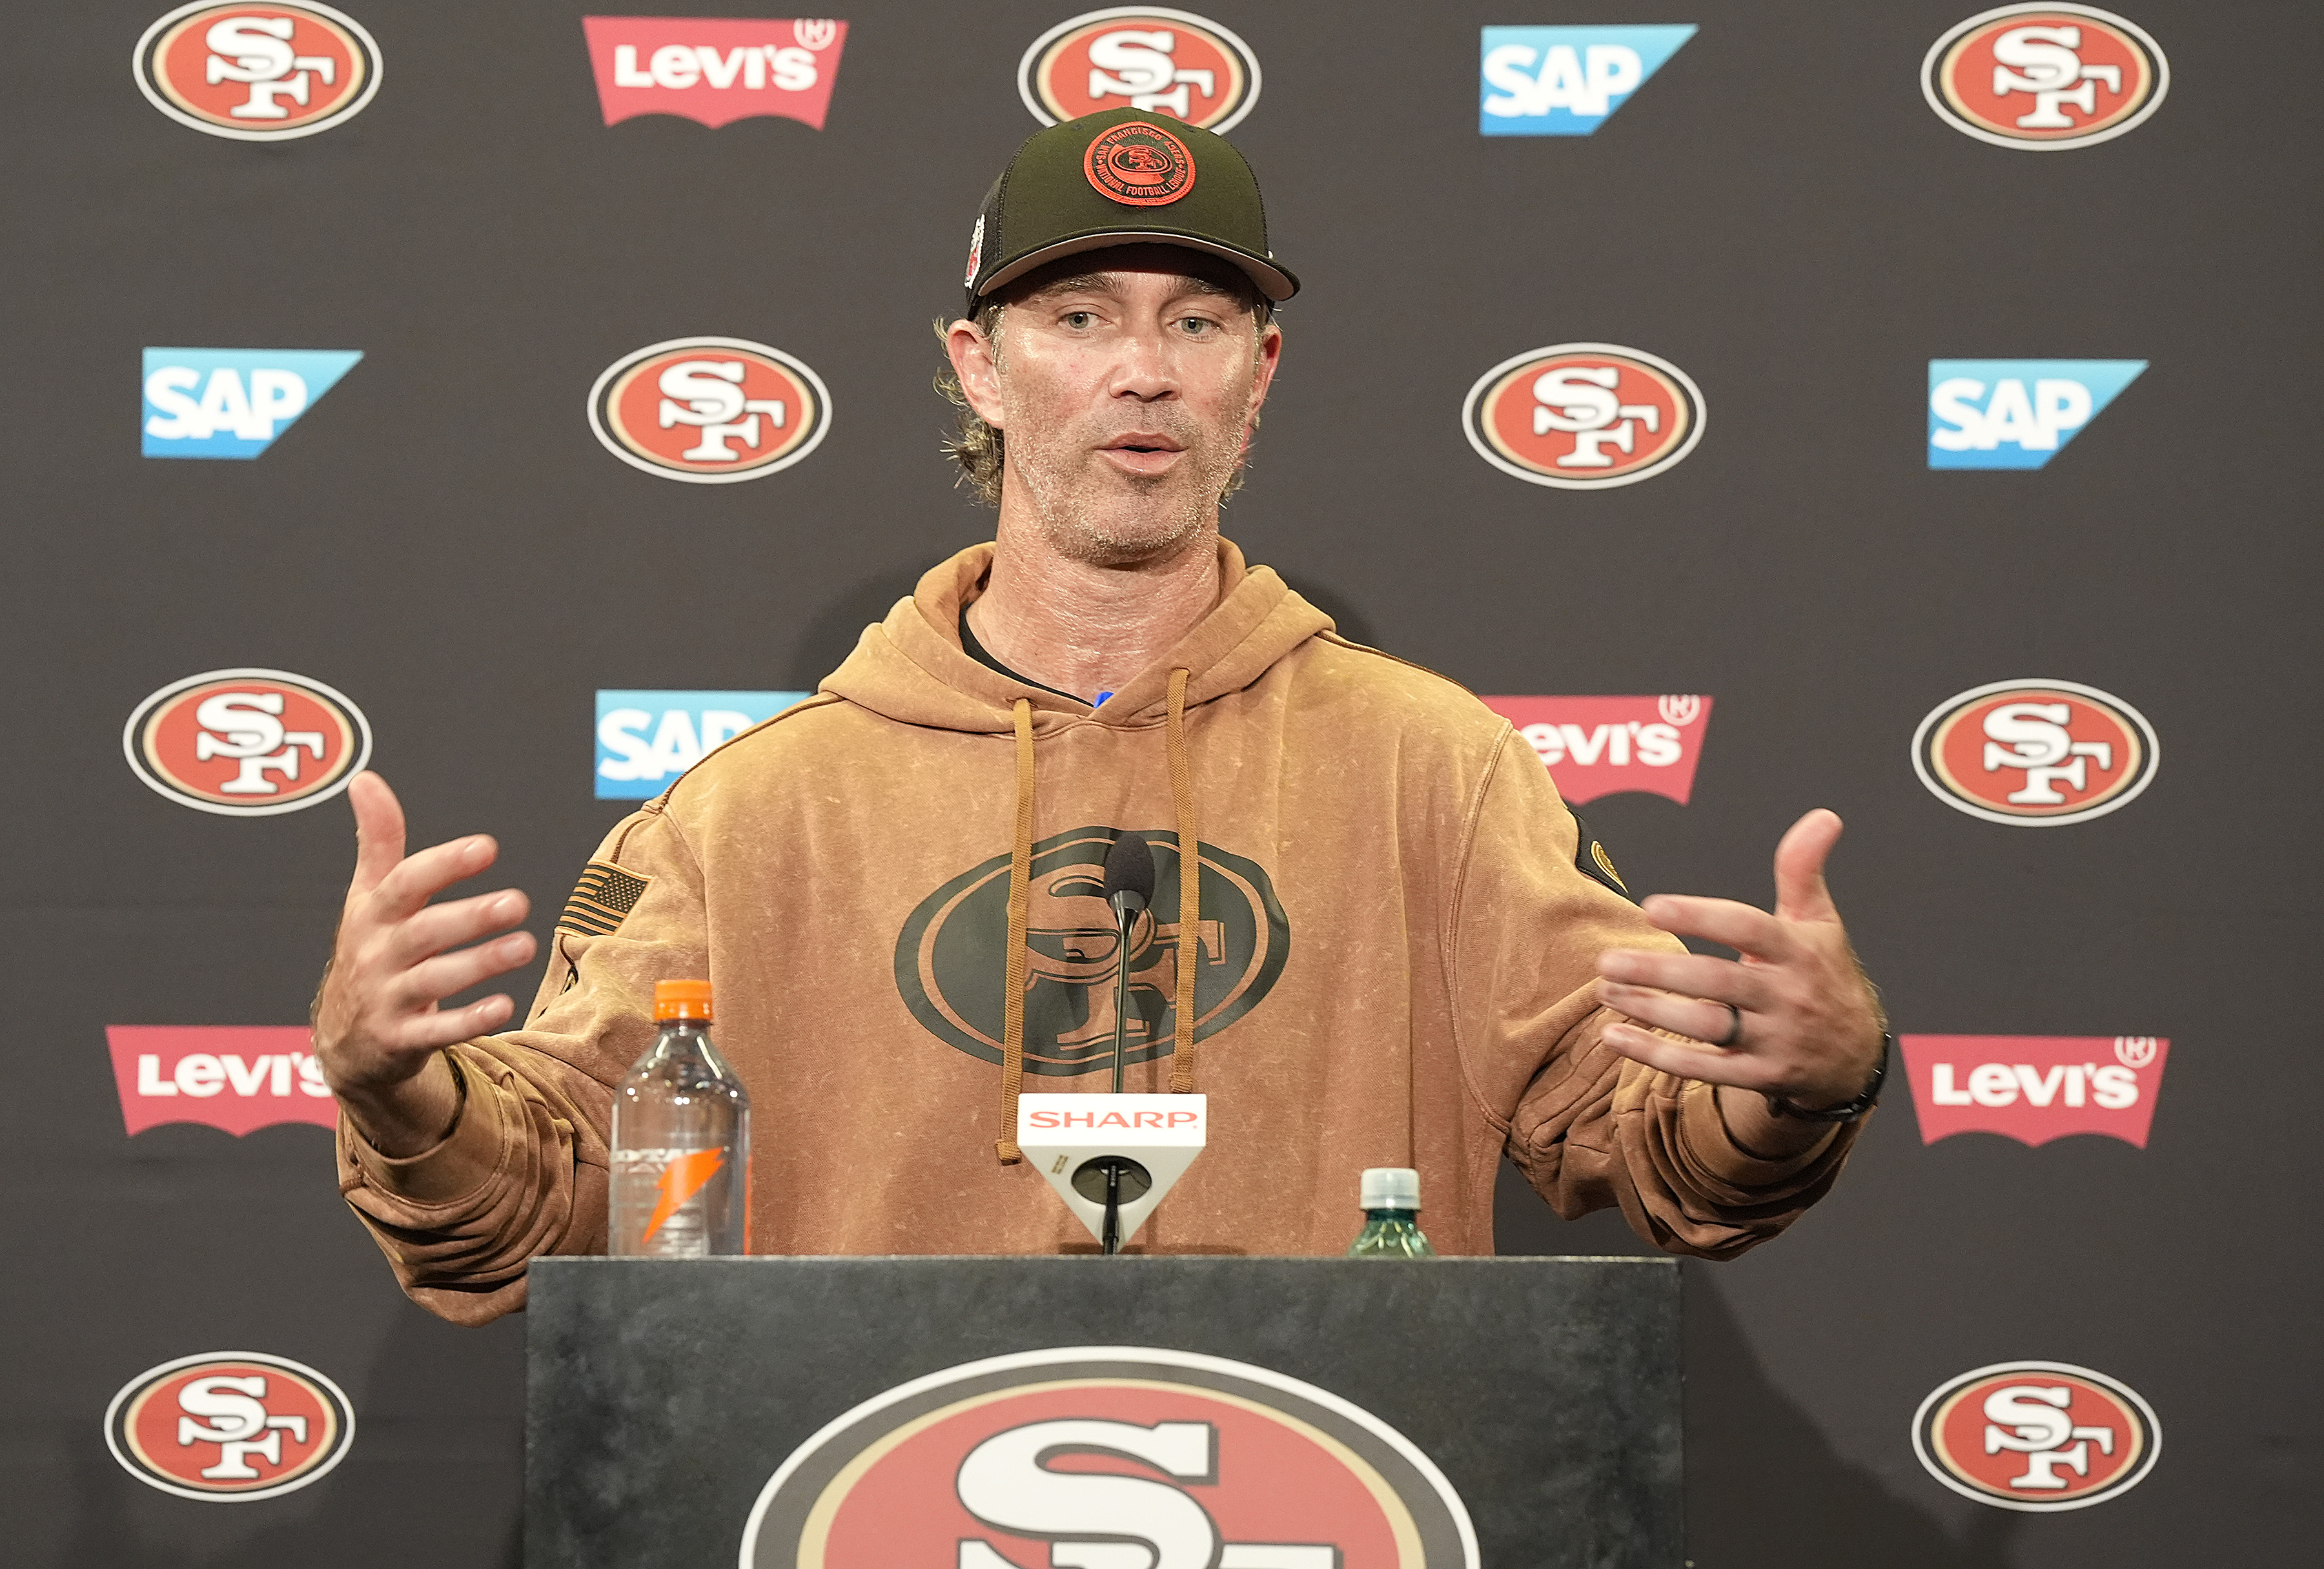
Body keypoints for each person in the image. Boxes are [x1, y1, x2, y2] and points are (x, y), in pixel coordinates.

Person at [316, 108, 1886, 1326]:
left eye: (1195, 323)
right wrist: (400, 1095)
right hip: (860, 1497)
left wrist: (1796, 1084)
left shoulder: (1433, 768)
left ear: (1259, 374)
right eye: (1078, 319)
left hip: (1319, 1496)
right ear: (978, 368)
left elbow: (1648, 1149)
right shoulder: (753, 813)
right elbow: (544, 1216)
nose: (1142, 371)